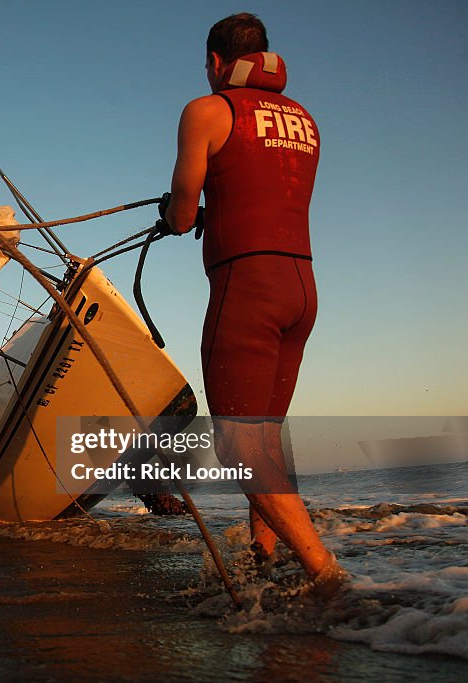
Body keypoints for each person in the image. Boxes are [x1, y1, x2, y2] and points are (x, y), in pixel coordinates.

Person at [162, 13, 344, 594]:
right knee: (266, 438)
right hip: (302, 288)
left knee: (238, 443)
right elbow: (263, 186)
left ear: (215, 61)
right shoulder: (305, 120)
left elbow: (184, 211)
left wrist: (179, 215)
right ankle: (264, 563)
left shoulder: (208, 109)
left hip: (248, 288)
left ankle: (328, 577)